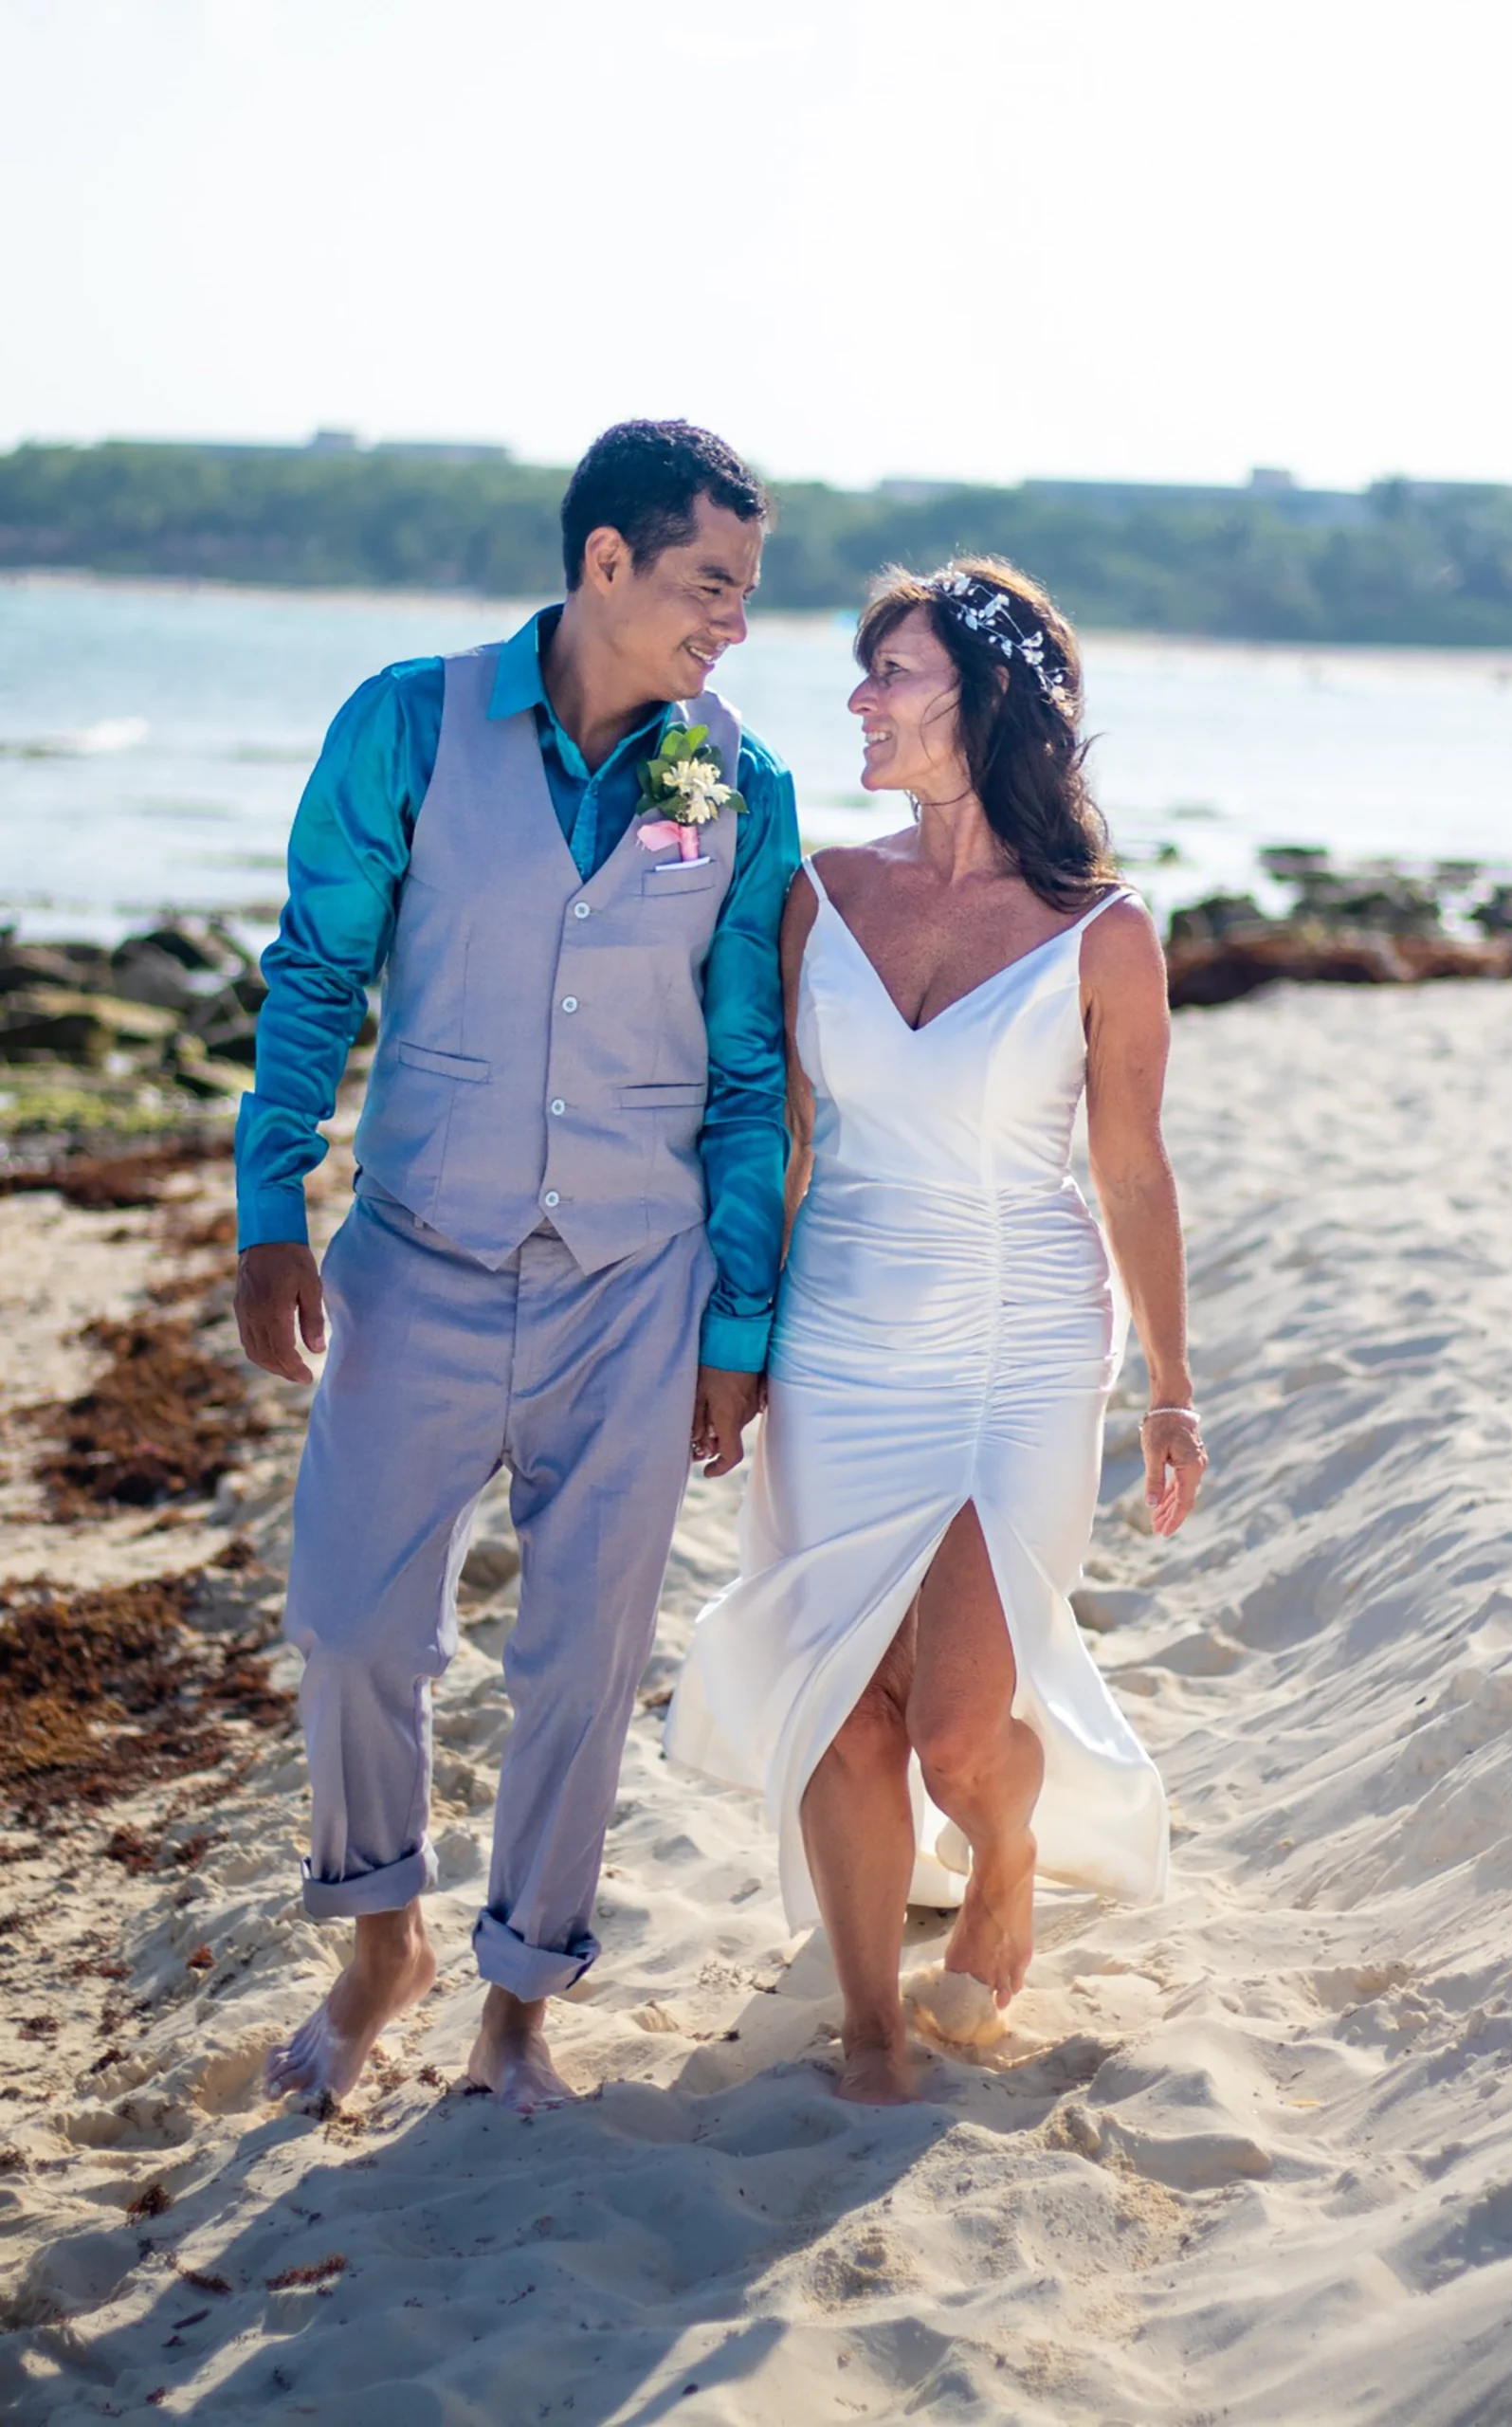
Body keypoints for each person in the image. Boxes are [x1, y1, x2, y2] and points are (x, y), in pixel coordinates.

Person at [234, 420, 800, 2114]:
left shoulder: (737, 783)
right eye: (710, 583)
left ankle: (520, 2004)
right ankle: (380, 1944)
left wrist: (739, 1323)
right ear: (605, 561)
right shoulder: (408, 722)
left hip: (634, 1285)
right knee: (350, 1628)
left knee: (579, 1662)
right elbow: (317, 969)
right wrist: (270, 1206)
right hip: (414, 1253)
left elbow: (749, 1072)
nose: (734, 624)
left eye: (748, 592)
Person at [665, 557, 1205, 2105]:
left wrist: (1172, 1389)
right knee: (846, 1704)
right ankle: (870, 2030)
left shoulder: (1101, 932)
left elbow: (1130, 1170)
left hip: (1019, 1350)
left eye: (892, 673)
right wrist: (734, 1341)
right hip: (839, 1337)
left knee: (960, 1732)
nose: (860, 698)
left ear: (987, 702)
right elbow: (777, 1137)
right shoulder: (818, 895)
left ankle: (1004, 1856)